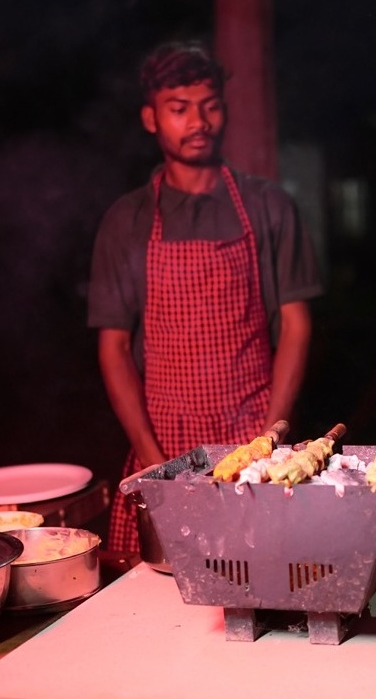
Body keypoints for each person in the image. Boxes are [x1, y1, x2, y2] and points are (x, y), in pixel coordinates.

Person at [87, 39, 324, 556]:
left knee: (263, 577)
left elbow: (297, 325)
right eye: (179, 109)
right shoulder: (126, 221)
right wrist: (155, 465)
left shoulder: (268, 206)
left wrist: (269, 441)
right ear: (151, 118)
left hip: (253, 430)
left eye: (210, 106)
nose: (198, 121)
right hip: (163, 437)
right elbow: (113, 348)